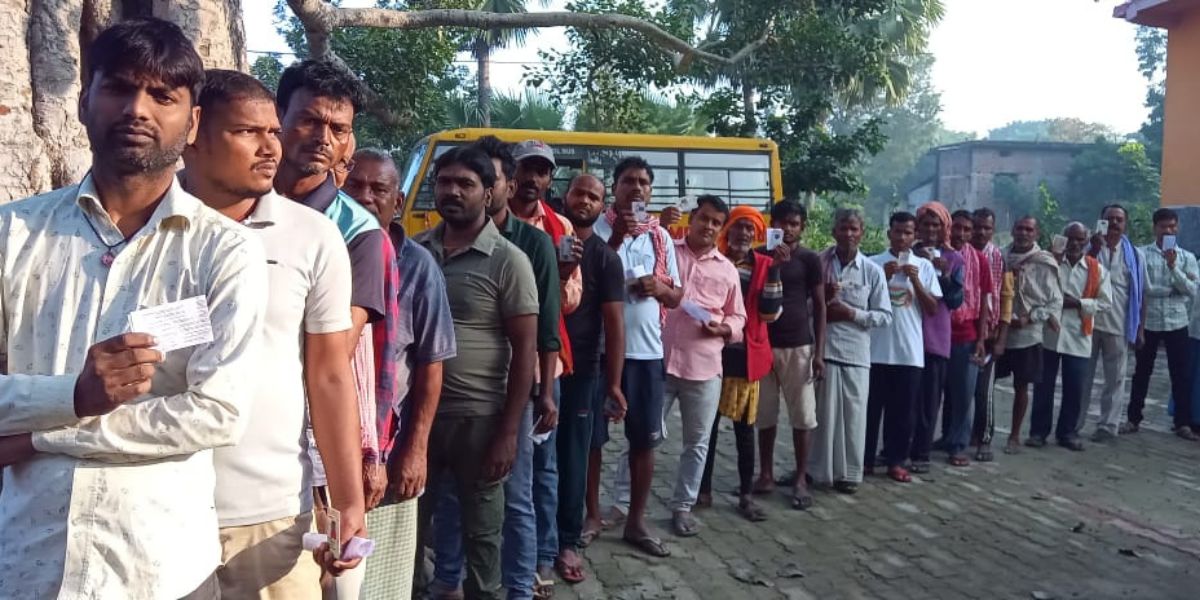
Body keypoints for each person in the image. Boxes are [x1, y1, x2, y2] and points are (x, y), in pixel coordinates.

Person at [0, 19, 268, 598]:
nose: (137, 109)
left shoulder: (226, 251)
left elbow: (217, 412)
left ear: (192, 121)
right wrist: (69, 396)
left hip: (159, 569)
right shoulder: (12, 234)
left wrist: (40, 435)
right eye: (119, 88)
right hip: (27, 565)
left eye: (163, 95)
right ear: (82, 101)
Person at [180, 69, 365, 599]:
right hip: (159, 503)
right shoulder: (149, 228)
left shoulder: (313, 236)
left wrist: (348, 503)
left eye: (273, 134)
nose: (270, 149)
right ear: (193, 131)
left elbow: (330, 375)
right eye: (247, 133)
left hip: (268, 514)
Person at [274, 59, 399, 599]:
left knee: (333, 584)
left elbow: (331, 352)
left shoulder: (357, 232)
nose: (323, 138)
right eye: (308, 120)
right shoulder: (229, 206)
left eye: (339, 128)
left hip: (320, 446)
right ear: (276, 117)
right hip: (241, 444)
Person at [429, 136, 562, 600]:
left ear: (488, 193)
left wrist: (510, 431)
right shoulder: (419, 251)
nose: (453, 192)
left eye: (465, 183)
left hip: (484, 416)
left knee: (489, 529)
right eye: (444, 182)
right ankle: (443, 585)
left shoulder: (512, 259)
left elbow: (525, 348)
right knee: (436, 513)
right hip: (425, 415)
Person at [343, 148, 458, 598]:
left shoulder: (418, 266)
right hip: (324, 448)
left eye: (379, 189)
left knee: (383, 578)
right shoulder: (326, 249)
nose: (366, 197)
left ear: (399, 199)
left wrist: (415, 450)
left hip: (386, 449)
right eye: (356, 186)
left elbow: (431, 364)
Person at [598, 156, 683, 557]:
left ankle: (636, 521)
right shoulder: (598, 226)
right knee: (592, 441)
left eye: (644, 182)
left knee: (644, 441)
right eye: (628, 181)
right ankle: (589, 516)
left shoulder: (660, 237)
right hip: (599, 351)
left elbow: (677, 295)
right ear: (614, 187)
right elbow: (588, 275)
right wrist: (615, 238)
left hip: (648, 353)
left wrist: (657, 289)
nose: (637, 188)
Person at [511, 139, 583, 595]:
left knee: (543, 468)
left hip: (545, 366)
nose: (535, 179)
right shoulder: (493, 219)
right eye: (528, 170)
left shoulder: (561, 226)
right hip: (498, 364)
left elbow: (572, 300)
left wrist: (555, 275)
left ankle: (541, 555)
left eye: (543, 172)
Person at [658, 195, 746, 538]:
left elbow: (738, 316)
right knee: (645, 436)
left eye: (715, 222)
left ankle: (682, 506)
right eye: (703, 218)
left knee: (697, 443)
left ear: (720, 228)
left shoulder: (727, 270)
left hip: (705, 366)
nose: (708, 226)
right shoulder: (667, 251)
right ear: (692, 219)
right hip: (661, 361)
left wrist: (724, 328)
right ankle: (623, 504)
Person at [554, 174, 627, 584]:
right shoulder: (544, 239)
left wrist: (613, 384)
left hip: (582, 372)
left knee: (574, 457)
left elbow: (615, 325)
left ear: (604, 205)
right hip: (540, 369)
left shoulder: (604, 257)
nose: (584, 200)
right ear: (566, 195)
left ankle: (567, 540)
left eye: (593, 196)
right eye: (579, 192)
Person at [697, 206, 783, 520]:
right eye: (739, 227)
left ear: (758, 233)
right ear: (727, 230)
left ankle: (746, 494)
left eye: (750, 228)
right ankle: (702, 490)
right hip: (711, 353)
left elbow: (770, 314)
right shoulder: (714, 260)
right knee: (708, 428)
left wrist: (774, 271)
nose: (744, 233)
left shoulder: (765, 264)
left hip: (746, 357)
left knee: (744, 430)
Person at [810, 209, 892, 494]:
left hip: (857, 354)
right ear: (834, 231)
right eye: (843, 228)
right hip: (823, 349)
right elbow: (804, 305)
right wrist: (824, 303)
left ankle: (850, 475)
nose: (848, 234)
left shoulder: (872, 271)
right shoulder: (820, 263)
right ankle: (817, 471)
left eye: (854, 229)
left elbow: (884, 316)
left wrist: (851, 313)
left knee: (854, 416)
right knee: (822, 416)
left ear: (863, 232)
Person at [753, 200, 826, 510]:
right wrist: (774, 266)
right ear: (773, 225)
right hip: (764, 343)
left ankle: (799, 478)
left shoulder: (810, 259)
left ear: (802, 227)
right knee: (765, 414)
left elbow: (820, 306)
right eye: (782, 223)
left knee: (803, 415)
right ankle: (766, 473)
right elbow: (753, 297)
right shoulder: (759, 255)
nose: (787, 229)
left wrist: (819, 352)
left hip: (799, 345)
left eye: (794, 224)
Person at [866, 212, 940, 483]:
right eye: (897, 232)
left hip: (909, 352)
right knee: (871, 410)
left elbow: (932, 309)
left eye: (907, 233)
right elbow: (863, 303)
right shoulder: (873, 264)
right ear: (889, 233)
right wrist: (883, 279)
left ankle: (897, 461)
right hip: (875, 350)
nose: (902, 238)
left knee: (903, 413)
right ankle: (865, 460)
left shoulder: (925, 266)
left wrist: (916, 281)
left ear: (915, 236)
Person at [1030, 223, 1111, 451]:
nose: (1074, 243)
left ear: (1086, 241)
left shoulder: (1097, 269)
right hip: (1048, 334)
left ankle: (1068, 432)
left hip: (1078, 336)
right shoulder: (1051, 263)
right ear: (1062, 238)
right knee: (1043, 386)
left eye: (1079, 239)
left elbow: (1106, 303)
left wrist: (1078, 303)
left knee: (1075, 388)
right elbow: (1036, 290)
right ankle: (1038, 432)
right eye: (1070, 238)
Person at [1128, 208, 1199, 439]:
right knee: (1142, 372)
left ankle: (1183, 423)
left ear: (1177, 228)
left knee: (1181, 374)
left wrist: (1173, 267)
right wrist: (1171, 289)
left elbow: (1192, 291)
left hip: (1177, 322)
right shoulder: (1141, 254)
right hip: (1149, 322)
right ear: (1154, 228)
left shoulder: (1187, 257)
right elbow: (1143, 288)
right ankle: (1133, 418)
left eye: (1171, 226)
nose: (1167, 230)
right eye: (1163, 226)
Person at [1080, 204, 1146, 443]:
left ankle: (1107, 426)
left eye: (1119, 219)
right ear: (1102, 222)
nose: (1115, 223)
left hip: (1119, 324)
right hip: (1088, 321)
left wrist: (1140, 328)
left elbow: (1142, 294)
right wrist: (1094, 249)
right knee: (1083, 377)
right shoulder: (1087, 248)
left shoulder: (1135, 255)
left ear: (1125, 224)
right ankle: (1074, 424)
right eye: (1110, 219)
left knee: (1115, 379)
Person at [997, 216, 1062, 454]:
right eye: (1020, 228)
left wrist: (1031, 317)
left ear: (1036, 234)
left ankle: (1014, 435)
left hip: (1027, 334)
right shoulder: (1000, 256)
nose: (1023, 233)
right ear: (1013, 230)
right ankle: (980, 432)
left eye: (1029, 229)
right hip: (999, 330)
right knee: (986, 384)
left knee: (1021, 386)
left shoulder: (1045, 262)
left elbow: (1055, 300)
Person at [909, 201, 964, 473]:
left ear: (945, 228)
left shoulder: (954, 259)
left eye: (936, 224)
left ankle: (921, 453)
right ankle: (896, 448)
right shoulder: (907, 252)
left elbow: (955, 300)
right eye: (926, 224)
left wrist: (942, 273)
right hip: (906, 336)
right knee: (906, 398)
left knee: (929, 400)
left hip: (935, 338)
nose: (931, 229)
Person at [944, 210, 992, 466]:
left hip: (968, 334)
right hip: (939, 333)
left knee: (964, 394)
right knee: (940, 392)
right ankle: (944, 437)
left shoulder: (980, 261)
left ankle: (959, 444)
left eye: (966, 229)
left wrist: (982, 338)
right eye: (957, 228)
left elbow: (984, 300)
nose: (961, 234)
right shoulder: (940, 256)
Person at [970, 208, 1007, 462]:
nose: (981, 232)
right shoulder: (961, 251)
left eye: (987, 228)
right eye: (978, 227)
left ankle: (984, 438)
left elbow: (1000, 294)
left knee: (984, 391)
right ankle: (956, 434)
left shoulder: (996, 255)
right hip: (963, 329)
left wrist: (997, 332)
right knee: (958, 389)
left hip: (987, 330)